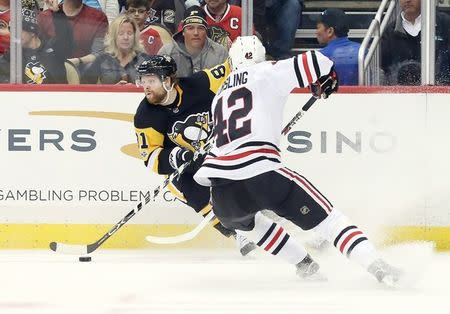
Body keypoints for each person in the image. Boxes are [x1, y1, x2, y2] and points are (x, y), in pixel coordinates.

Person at [194, 36, 400, 285]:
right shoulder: (268, 71)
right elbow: (320, 60)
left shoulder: (220, 95)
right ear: (261, 56)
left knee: (251, 225)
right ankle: (378, 266)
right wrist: (328, 76)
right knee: (330, 221)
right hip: (262, 173)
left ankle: (305, 266)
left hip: (221, 192)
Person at [133, 54, 256, 256]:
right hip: (183, 169)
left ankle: (271, 217)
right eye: (143, 81)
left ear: (168, 80)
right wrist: (178, 156)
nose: (146, 86)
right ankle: (238, 234)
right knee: (191, 190)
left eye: (151, 81)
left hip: (218, 150)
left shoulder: (200, 84)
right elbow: (151, 158)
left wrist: (246, 51)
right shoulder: (145, 115)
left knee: (246, 177)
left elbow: (232, 66)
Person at [381, 0, 450, 85]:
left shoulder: (445, 23)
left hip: (441, 92)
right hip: (400, 94)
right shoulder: (389, 32)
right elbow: (385, 69)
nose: (407, 0)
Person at [0, 7, 72, 84]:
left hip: (55, 94)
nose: (13, 35)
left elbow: (65, 37)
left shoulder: (55, 49)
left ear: (32, 32)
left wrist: (57, 12)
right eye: (11, 30)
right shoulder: (12, 55)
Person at [158, 5, 228, 77]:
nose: (196, 33)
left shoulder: (220, 53)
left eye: (200, 28)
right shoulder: (167, 52)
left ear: (206, 31)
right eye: (190, 28)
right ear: (183, 31)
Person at [81, 15, 149, 84]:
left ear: (135, 36)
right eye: (121, 33)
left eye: (129, 33)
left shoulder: (145, 60)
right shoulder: (102, 60)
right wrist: (113, 90)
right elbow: (85, 87)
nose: (125, 37)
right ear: (114, 36)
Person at [39, 0, 109, 66]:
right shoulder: (45, 17)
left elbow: (97, 53)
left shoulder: (98, 17)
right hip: (50, 71)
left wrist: (77, 61)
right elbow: (37, 51)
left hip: (83, 71)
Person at [316, 8, 360, 86]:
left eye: (318, 27)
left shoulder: (319, 57)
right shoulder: (363, 52)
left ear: (330, 31)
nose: (316, 32)